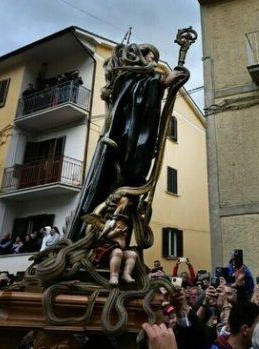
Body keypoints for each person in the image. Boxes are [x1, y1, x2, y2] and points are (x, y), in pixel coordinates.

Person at [67, 42, 185, 241]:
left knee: (131, 190)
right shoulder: (129, 77)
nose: (153, 62)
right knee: (120, 181)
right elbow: (134, 100)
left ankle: (114, 237)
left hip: (138, 140)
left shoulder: (141, 77)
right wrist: (162, 83)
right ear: (140, 56)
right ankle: (94, 236)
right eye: (151, 57)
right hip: (123, 142)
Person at [92, 214, 137, 286]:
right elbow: (106, 235)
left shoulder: (125, 229)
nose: (121, 223)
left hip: (120, 250)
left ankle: (126, 274)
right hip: (108, 251)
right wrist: (115, 232)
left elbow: (123, 243)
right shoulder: (111, 225)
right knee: (118, 252)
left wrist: (123, 234)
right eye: (120, 221)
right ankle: (114, 276)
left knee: (132, 254)